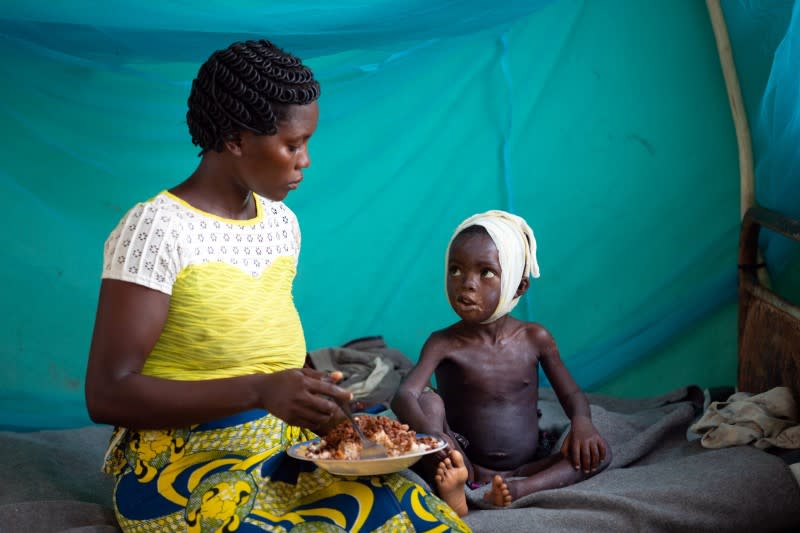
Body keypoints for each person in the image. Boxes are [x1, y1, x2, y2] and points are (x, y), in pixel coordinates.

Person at [85, 38, 469, 532]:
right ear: (236, 139)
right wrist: (260, 391)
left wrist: (308, 393)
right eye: (292, 144)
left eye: (307, 142)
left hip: (280, 445)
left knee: (403, 514)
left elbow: (254, 342)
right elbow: (107, 394)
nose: (305, 160)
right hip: (181, 463)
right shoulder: (155, 230)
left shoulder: (280, 223)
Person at [391, 210, 611, 517]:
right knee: (428, 401)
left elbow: (572, 395)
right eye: (455, 270)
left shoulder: (535, 338)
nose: (466, 284)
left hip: (529, 464)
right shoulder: (443, 342)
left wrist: (582, 423)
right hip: (461, 458)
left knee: (597, 453)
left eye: (486, 273)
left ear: (518, 287)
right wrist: (433, 436)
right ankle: (458, 489)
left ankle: (522, 489)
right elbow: (404, 395)